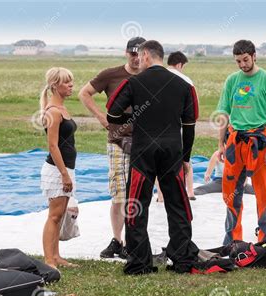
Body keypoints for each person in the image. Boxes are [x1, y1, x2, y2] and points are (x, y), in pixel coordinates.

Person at [106, 40, 200, 275]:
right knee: (177, 204)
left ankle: (140, 261)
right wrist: (186, 158)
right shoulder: (183, 85)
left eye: (140, 56)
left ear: (146, 55)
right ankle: (182, 259)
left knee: (137, 204)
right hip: (172, 150)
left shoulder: (134, 82)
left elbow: (112, 112)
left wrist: (135, 114)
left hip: (143, 150)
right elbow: (189, 125)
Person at [79, 37, 146, 259]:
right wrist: (101, 117)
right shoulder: (111, 75)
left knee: (136, 194)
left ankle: (132, 240)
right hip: (117, 141)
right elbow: (84, 93)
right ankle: (117, 240)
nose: (136, 59)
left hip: (144, 142)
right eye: (132, 54)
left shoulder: (150, 75)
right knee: (118, 193)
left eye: (140, 54)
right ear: (126, 53)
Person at [216, 39, 266, 245]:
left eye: (245, 59)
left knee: (263, 192)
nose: (242, 64)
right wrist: (220, 144)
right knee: (230, 193)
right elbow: (223, 113)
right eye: (238, 61)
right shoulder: (232, 81)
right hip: (235, 142)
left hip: (260, 142)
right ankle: (233, 240)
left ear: (254, 56)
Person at [39, 67, 78, 269]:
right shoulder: (53, 111)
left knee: (61, 214)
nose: (71, 85)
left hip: (66, 168)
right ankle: (49, 260)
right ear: (55, 85)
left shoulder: (62, 108)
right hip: (56, 170)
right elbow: (52, 145)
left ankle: (57, 256)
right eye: (66, 82)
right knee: (54, 216)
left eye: (71, 81)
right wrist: (64, 174)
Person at [155, 51, 196, 202]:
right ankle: (190, 192)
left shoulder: (157, 77)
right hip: (178, 127)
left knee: (159, 163)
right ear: (179, 64)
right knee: (185, 159)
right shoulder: (187, 81)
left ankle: (160, 196)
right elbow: (192, 112)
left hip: (158, 128)